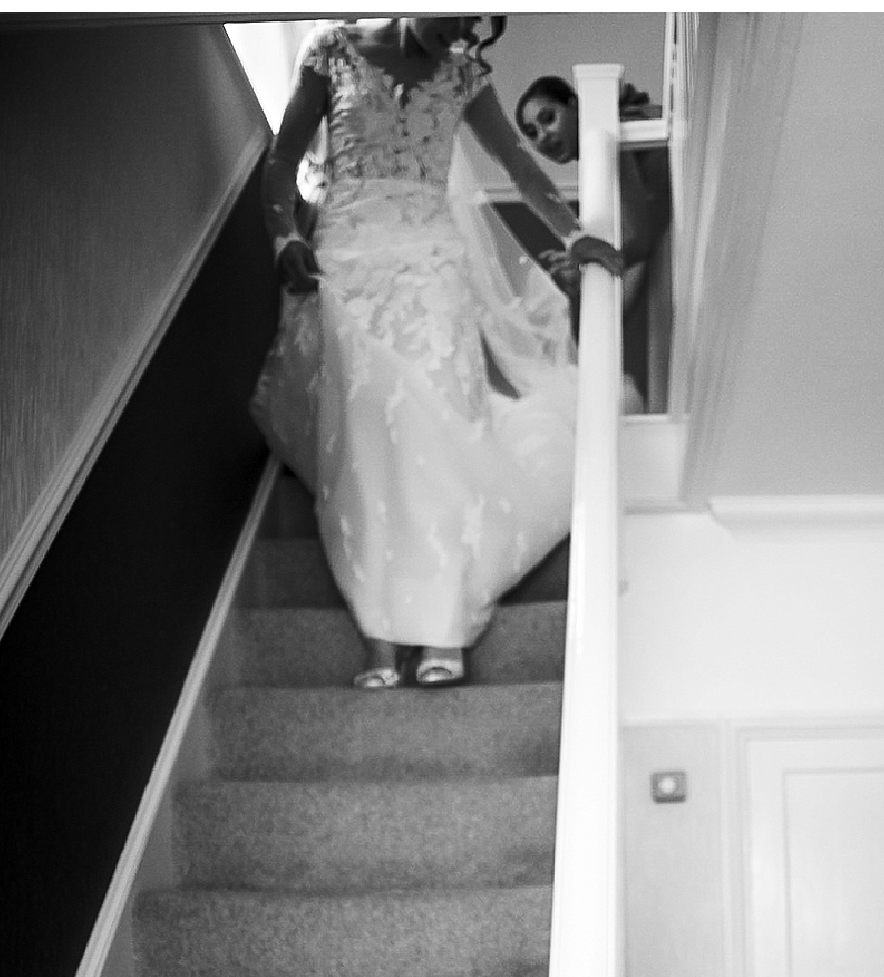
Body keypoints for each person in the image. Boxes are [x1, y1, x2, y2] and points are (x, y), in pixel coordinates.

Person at [250, 17, 623, 689]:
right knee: (366, 451)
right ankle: (383, 643)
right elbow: (281, 164)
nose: (460, 25)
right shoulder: (330, 49)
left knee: (440, 428)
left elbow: (519, 166)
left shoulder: (463, 72)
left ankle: (443, 627)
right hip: (349, 262)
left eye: (470, 19)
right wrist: (285, 240)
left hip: (432, 266)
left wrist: (573, 237)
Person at [514, 74, 670, 407]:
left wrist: (593, 261)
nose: (543, 137)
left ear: (575, 104)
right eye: (532, 134)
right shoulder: (602, 165)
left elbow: (639, 240)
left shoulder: (612, 134)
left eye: (548, 118)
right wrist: (578, 286)